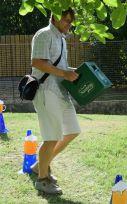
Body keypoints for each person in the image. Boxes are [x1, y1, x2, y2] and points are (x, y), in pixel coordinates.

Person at [30, 8, 81, 195]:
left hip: (61, 91)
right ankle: (42, 179)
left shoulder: (61, 38)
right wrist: (64, 73)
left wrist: (73, 71)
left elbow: (59, 66)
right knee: (51, 137)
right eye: (66, 20)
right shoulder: (44, 34)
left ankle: (40, 165)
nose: (69, 24)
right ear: (54, 18)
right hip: (46, 91)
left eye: (70, 21)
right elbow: (38, 62)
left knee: (73, 131)